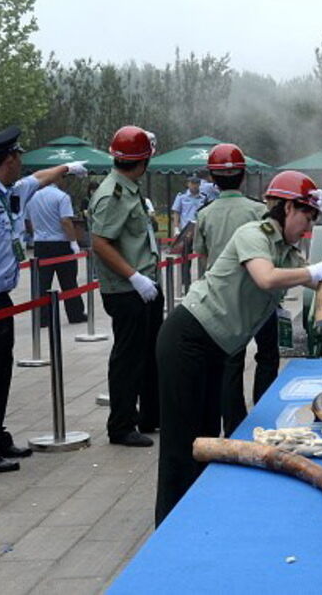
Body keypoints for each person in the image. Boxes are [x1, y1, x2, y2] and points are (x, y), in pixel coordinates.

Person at [155, 172, 322, 524]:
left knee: (205, 435)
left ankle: (194, 515)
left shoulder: (285, 251)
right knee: (180, 443)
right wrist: (314, 271)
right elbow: (266, 277)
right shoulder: (253, 235)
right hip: (188, 339)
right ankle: (169, 524)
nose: (308, 227)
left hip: (216, 348)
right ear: (287, 208)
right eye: (307, 217)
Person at [0, 125, 87, 472]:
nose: (22, 163)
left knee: (0, 370)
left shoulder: (10, 191)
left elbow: (40, 178)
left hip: (0, 298)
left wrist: (67, 168)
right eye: (18, 157)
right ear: (9, 160)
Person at [90, 125, 163, 448]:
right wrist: (134, 276)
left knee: (149, 354)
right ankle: (121, 425)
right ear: (143, 161)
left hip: (143, 285)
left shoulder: (129, 189)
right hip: (127, 289)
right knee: (128, 359)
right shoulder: (113, 194)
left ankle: (150, 415)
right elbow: (100, 242)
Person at [193, 143, 271, 435]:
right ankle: (264, 417)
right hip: (261, 294)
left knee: (230, 362)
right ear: (243, 176)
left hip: (224, 300)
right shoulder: (259, 210)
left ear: (212, 178)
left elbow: (203, 259)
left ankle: (234, 425)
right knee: (267, 356)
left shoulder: (204, 214)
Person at [25, 170, 87, 326]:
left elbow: (28, 221)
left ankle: (42, 318)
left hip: (41, 244)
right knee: (69, 281)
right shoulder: (62, 197)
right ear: (58, 179)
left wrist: (36, 234)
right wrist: (73, 242)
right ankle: (75, 314)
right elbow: (65, 221)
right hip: (61, 243)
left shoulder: (32, 197)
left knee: (42, 283)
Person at [171, 176, 209, 291]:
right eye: (192, 183)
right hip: (186, 231)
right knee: (186, 258)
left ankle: (204, 280)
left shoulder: (204, 197)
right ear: (188, 184)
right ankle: (185, 283)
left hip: (200, 230)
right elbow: (176, 213)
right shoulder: (181, 196)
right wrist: (176, 228)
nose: (194, 186)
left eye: (197, 183)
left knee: (203, 255)